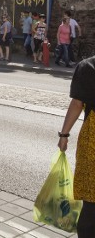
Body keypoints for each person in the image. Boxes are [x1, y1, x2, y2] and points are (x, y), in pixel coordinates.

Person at [57, 56, 95, 237]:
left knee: (91, 202)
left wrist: (64, 135)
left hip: (93, 142)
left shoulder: (88, 66)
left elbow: (77, 104)